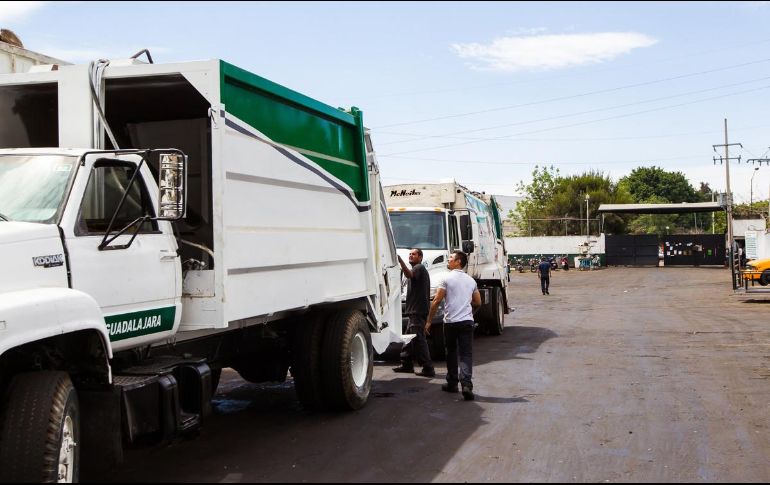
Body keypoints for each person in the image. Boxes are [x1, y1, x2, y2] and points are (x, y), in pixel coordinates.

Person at [426, 250, 481, 401]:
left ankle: (452, 383)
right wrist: (466, 306)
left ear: (458, 262)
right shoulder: (471, 281)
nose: (448, 260)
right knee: (466, 354)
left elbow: (436, 301)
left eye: (451, 258)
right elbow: (478, 302)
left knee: (451, 352)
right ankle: (467, 385)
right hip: (467, 322)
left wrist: (429, 321)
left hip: (450, 323)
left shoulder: (446, 279)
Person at [392, 248, 435, 377]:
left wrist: (400, 261)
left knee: (418, 339)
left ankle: (428, 367)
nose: (411, 256)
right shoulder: (416, 269)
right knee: (408, 339)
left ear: (420, 257)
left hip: (417, 311)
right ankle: (406, 364)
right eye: (409, 254)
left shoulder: (419, 268)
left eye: (414, 254)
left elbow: (409, 275)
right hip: (414, 311)